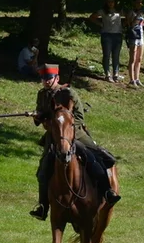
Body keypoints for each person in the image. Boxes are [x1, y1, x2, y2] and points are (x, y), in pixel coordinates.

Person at [29, 65, 120, 221]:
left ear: (56, 78)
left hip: (75, 134)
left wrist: (65, 126)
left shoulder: (69, 93)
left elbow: (79, 118)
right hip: (54, 137)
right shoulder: (42, 94)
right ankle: (43, 206)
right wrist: (38, 116)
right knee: (43, 170)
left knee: (94, 157)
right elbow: (42, 114)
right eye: (43, 79)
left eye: (49, 78)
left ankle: (107, 192)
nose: (46, 82)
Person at [89, 0, 124, 82]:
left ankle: (116, 74)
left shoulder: (119, 11)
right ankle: (107, 74)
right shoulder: (103, 11)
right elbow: (92, 17)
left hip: (118, 35)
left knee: (116, 55)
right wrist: (100, 24)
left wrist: (124, 25)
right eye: (109, 2)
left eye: (112, 1)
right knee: (107, 55)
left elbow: (128, 17)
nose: (110, 3)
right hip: (106, 35)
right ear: (106, 3)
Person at [124, 0, 144, 87]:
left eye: (141, 2)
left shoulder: (142, 13)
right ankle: (131, 79)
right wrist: (136, 18)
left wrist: (142, 23)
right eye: (138, 2)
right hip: (133, 35)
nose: (140, 4)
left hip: (140, 35)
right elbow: (130, 24)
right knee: (132, 58)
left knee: (139, 58)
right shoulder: (131, 12)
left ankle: (137, 79)